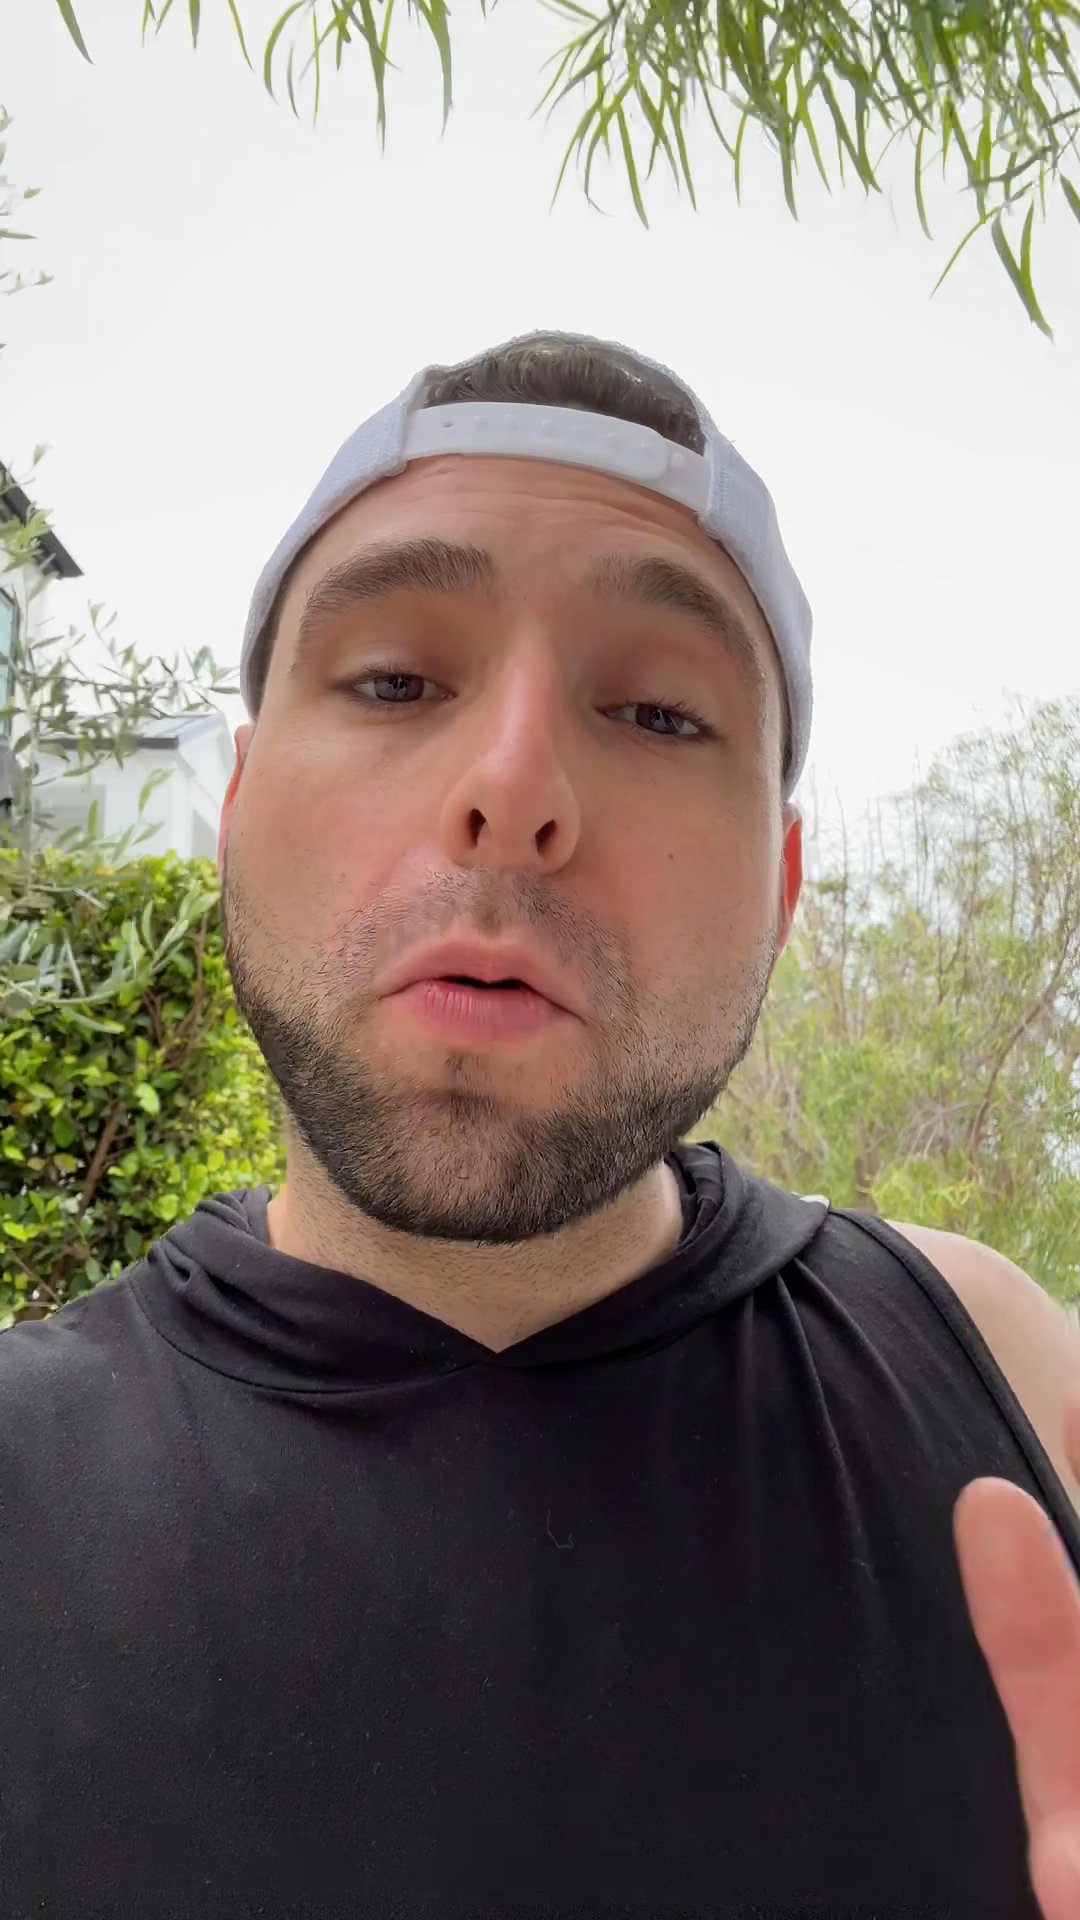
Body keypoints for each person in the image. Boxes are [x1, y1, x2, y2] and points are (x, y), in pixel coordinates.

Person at [2, 329, 1080, 1919]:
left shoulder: (1009, 1382)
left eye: (656, 713)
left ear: (781, 889)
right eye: (394, 681)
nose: (512, 790)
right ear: (235, 812)